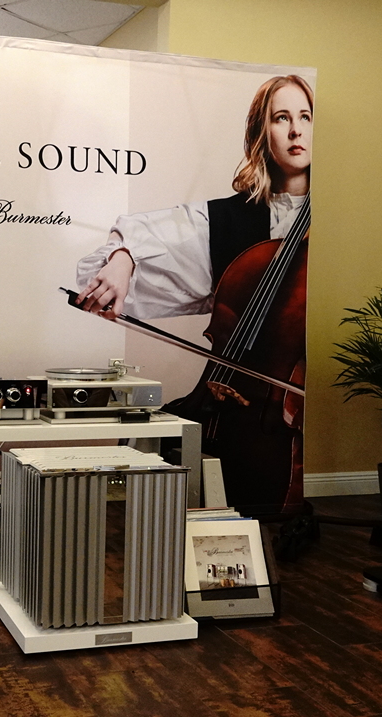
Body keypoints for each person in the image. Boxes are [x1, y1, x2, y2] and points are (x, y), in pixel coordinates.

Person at [74, 74, 313, 516]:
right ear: (262, 132)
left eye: (306, 117)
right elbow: (143, 233)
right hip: (226, 396)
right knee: (150, 436)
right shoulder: (225, 219)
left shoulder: (340, 222)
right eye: (282, 118)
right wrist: (123, 258)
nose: (296, 130)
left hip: (294, 411)